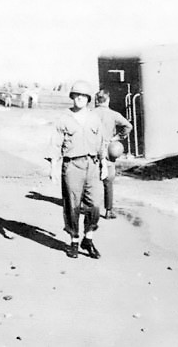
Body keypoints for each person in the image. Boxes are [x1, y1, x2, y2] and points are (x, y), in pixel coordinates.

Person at [47, 80, 106, 259]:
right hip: (72, 165)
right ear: (72, 97)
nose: (80, 98)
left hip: (93, 165)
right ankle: (74, 240)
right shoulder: (64, 119)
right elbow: (55, 144)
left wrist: (104, 164)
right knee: (72, 205)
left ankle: (88, 239)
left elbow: (102, 142)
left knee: (95, 205)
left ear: (88, 98)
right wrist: (53, 167)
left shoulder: (95, 118)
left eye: (83, 95)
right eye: (77, 95)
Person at [93, 89, 133, 219]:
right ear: (108, 100)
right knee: (108, 181)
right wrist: (117, 137)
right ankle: (108, 211)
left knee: (91, 180)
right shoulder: (114, 114)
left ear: (96, 100)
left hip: (92, 150)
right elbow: (128, 126)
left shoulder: (90, 114)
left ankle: (90, 208)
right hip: (107, 150)